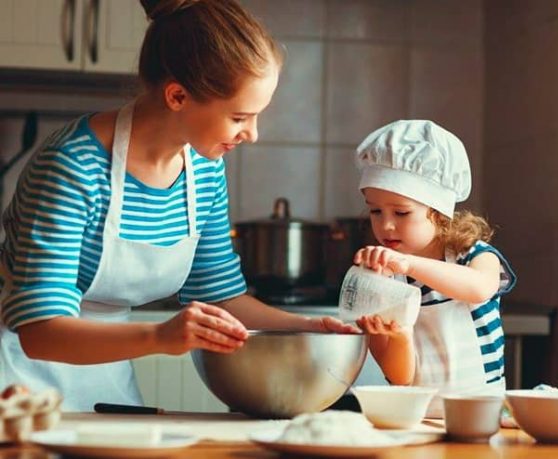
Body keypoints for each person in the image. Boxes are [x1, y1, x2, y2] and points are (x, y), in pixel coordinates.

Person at [0, 0, 355, 412]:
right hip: (18, 386)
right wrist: (160, 337)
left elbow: (221, 297)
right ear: (178, 95)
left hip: (104, 383)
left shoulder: (204, 170)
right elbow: (40, 332)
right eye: (240, 117)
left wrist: (308, 328)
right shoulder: (73, 165)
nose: (252, 134)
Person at [352, 120, 517, 417]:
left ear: (439, 212)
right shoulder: (386, 280)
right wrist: (400, 336)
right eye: (375, 210)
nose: (385, 224)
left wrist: (410, 263)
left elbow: (480, 288)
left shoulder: (474, 256)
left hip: (483, 416)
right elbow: (400, 378)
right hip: (418, 420)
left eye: (401, 212)